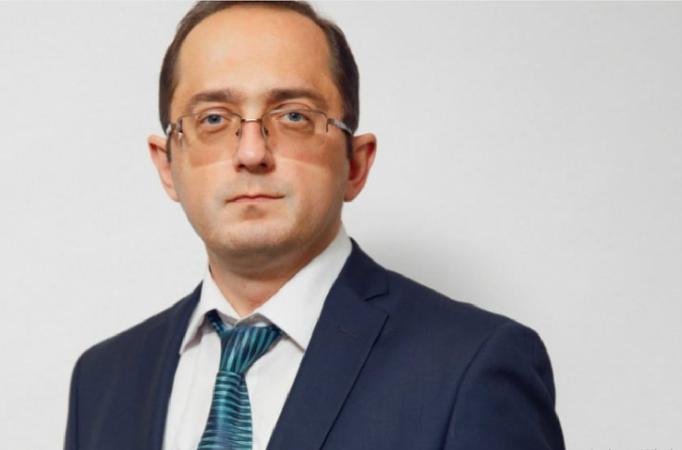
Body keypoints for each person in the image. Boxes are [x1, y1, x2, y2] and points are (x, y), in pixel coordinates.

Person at [63, 2, 565, 449]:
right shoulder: (102, 381)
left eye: (294, 117)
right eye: (213, 118)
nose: (252, 152)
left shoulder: (471, 365)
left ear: (355, 164)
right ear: (166, 165)